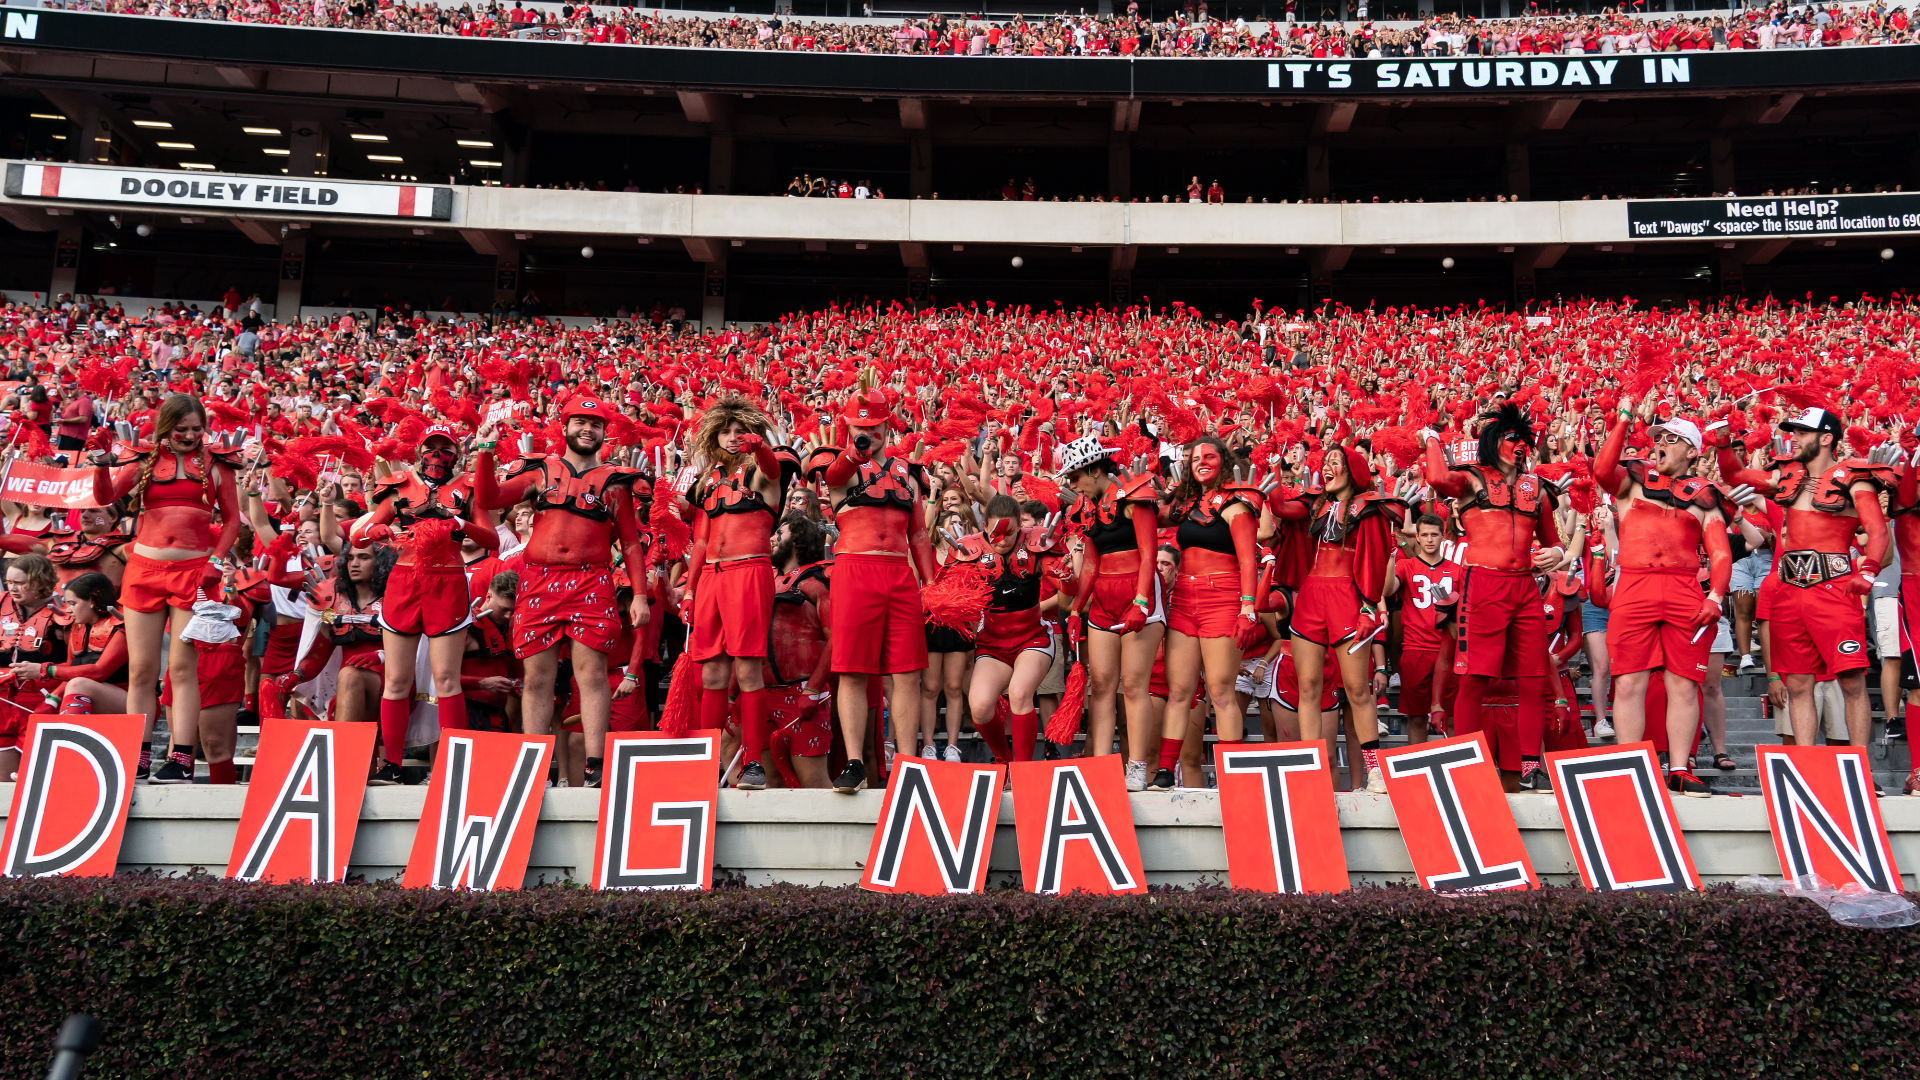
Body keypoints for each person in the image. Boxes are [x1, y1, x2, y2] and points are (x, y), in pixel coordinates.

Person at [475, 396, 648, 788]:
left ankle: (595, 764)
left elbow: (632, 543)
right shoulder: (540, 471)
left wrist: (638, 595)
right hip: (540, 580)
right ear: (565, 427)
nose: (587, 429)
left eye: (596, 424)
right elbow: (487, 499)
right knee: (537, 678)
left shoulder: (615, 482)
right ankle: (533, 766)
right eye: (580, 422)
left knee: (591, 674)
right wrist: (485, 451)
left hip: (592, 580)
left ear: (605, 433)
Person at [1716, 407, 1894, 756]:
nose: (1793, 437)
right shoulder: (1785, 475)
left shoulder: (1855, 480)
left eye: (1802, 432)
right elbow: (1734, 473)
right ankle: (1807, 763)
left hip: (1833, 588)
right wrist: (1722, 439)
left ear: (1826, 438)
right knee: (1798, 685)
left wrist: (1869, 571)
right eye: (1793, 431)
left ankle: (1858, 764)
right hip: (1788, 590)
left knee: (1852, 681)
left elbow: (1877, 532)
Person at [88, 394, 241, 786]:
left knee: (181, 668)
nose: (190, 435)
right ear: (165, 426)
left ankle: (181, 758)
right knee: (141, 669)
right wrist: (103, 465)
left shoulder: (216, 464)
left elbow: (231, 522)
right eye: (182, 428)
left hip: (193, 572)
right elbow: (105, 498)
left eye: (196, 429)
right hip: (143, 570)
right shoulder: (142, 460)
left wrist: (216, 561)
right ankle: (137, 756)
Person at [1593, 401, 1736, 797]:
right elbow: (1602, 470)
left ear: (1692, 451)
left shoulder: (1705, 494)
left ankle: (1678, 768)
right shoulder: (1633, 480)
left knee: (1683, 684)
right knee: (1628, 683)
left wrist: (1717, 596)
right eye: (1657, 439)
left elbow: (1721, 552)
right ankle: (1627, 765)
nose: (1659, 445)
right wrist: (1623, 419)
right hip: (1634, 584)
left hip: (1683, 587)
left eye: (1671, 440)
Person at [1423, 404, 1566, 792]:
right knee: (1475, 679)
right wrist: (1432, 438)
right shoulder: (1472, 479)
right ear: (1493, 442)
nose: (1519, 446)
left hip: (1524, 587)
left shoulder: (1537, 488)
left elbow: (1554, 545)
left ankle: (1529, 766)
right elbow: (1436, 477)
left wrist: (1558, 555)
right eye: (1511, 438)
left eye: (1524, 440)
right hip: (1483, 586)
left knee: (1534, 681)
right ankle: (1464, 763)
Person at [352, 425, 501, 786]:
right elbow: (359, 533)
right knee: (398, 680)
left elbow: (492, 540)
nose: (437, 455)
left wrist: (459, 522)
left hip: (447, 581)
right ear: (419, 450)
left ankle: (454, 766)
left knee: (446, 679)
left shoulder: (466, 488)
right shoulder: (400, 484)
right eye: (430, 447)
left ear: (456, 451)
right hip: (405, 581)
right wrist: (376, 531)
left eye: (445, 448)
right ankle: (391, 764)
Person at [819, 387, 937, 794]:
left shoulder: (910, 472)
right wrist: (855, 452)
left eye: (875, 426)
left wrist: (932, 583)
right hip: (855, 567)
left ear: (889, 425)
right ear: (848, 427)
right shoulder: (842, 463)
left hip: (898, 573)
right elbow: (833, 476)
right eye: (859, 426)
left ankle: (908, 761)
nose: (868, 432)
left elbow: (920, 534)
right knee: (852, 669)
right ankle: (855, 762)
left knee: (907, 673)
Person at [1270, 443, 1402, 793]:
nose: (1327, 468)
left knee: (1358, 691)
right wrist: (1268, 479)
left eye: (1335, 462)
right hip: (1312, 597)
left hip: (1347, 597)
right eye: (1325, 462)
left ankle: (1374, 771)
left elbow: (1374, 563)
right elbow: (1281, 509)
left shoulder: (1370, 509)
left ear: (1352, 470)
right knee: (1309, 688)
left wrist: (1369, 608)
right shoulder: (1314, 502)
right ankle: (1309, 767)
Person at [685, 396, 786, 790]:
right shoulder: (709, 482)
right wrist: (690, 591)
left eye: (738, 431)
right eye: (725, 432)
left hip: (749, 573)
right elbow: (699, 542)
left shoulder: (763, 474)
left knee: (746, 669)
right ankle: (705, 763)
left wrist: (759, 446)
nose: (732, 438)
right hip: (710, 576)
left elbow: (773, 468)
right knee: (712, 673)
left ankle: (752, 764)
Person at [1061, 433, 1166, 790]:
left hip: (1138, 599)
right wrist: (1077, 609)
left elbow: (1149, 553)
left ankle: (1136, 766)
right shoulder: (1087, 508)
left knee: (1135, 686)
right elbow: (1090, 564)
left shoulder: (1135, 497)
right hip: (1103, 604)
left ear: (1093, 468)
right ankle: (1102, 766)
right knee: (1102, 686)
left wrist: (1141, 601)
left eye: (1075, 477)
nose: (1072, 485)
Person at [1156, 436, 1260, 791]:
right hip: (1184, 598)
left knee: (1220, 691)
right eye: (1195, 457)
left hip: (1224, 600)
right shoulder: (1186, 505)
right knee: (1180, 691)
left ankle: (1234, 777)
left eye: (1209, 455)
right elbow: (1152, 515)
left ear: (1224, 461)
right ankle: (1165, 771)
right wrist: (1166, 493)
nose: (1201, 461)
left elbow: (1249, 559)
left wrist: (1248, 607)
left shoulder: (1237, 505)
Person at [954, 495, 1070, 766]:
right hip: (992, 642)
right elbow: (952, 598)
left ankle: (1023, 769)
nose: (1003, 540)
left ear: (1021, 526)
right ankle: (1003, 760)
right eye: (996, 533)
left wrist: (1068, 580)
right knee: (980, 708)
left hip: (1033, 637)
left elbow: (1068, 598)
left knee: (1019, 693)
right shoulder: (970, 550)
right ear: (983, 526)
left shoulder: (1037, 544)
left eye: (1010, 533)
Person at [761, 512, 834, 788]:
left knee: (813, 784)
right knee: (768, 783)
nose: (773, 538)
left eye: (780, 533)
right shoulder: (763, 577)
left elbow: (835, 638)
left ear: (798, 541)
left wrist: (813, 689)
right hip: (762, 694)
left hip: (803, 694)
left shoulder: (819, 582)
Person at [1389, 513, 1461, 744]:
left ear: (1443, 537)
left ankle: (1453, 769)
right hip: (1415, 648)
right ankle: (1416, 774)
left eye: (1434, 534)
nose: (1430, 539)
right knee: (1417, 718)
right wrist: (1390, 558)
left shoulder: (1458, 569)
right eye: (1425, 535)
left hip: (1448, 649)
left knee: (1451, 718)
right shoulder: (1405, 565)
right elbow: (1388, 589)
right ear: (1417, 537)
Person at [0, 555, 68, 782]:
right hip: (3, 701)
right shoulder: (2, 603)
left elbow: (80, 666)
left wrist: (54, 699)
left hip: (39, 702)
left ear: (40, 581)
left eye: (20, 583)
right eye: (9, 582)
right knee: (4, 784)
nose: (13, 589)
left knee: (33, 782)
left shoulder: (64, 612)